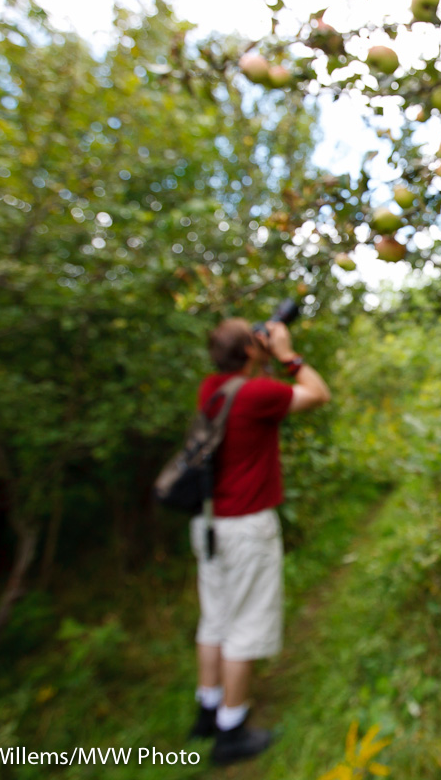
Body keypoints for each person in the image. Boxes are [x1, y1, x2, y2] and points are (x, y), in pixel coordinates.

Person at [187, 316, 330, 766]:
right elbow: (318, 394)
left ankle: (208, 709)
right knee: (245, 627)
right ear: (250, 350)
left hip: (209, 523)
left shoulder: (212, 389)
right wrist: (287, 356)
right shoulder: (258, 394)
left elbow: (253, 398)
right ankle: (231, 730)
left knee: (215, 620)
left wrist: (260, 360)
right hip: (247, 528)